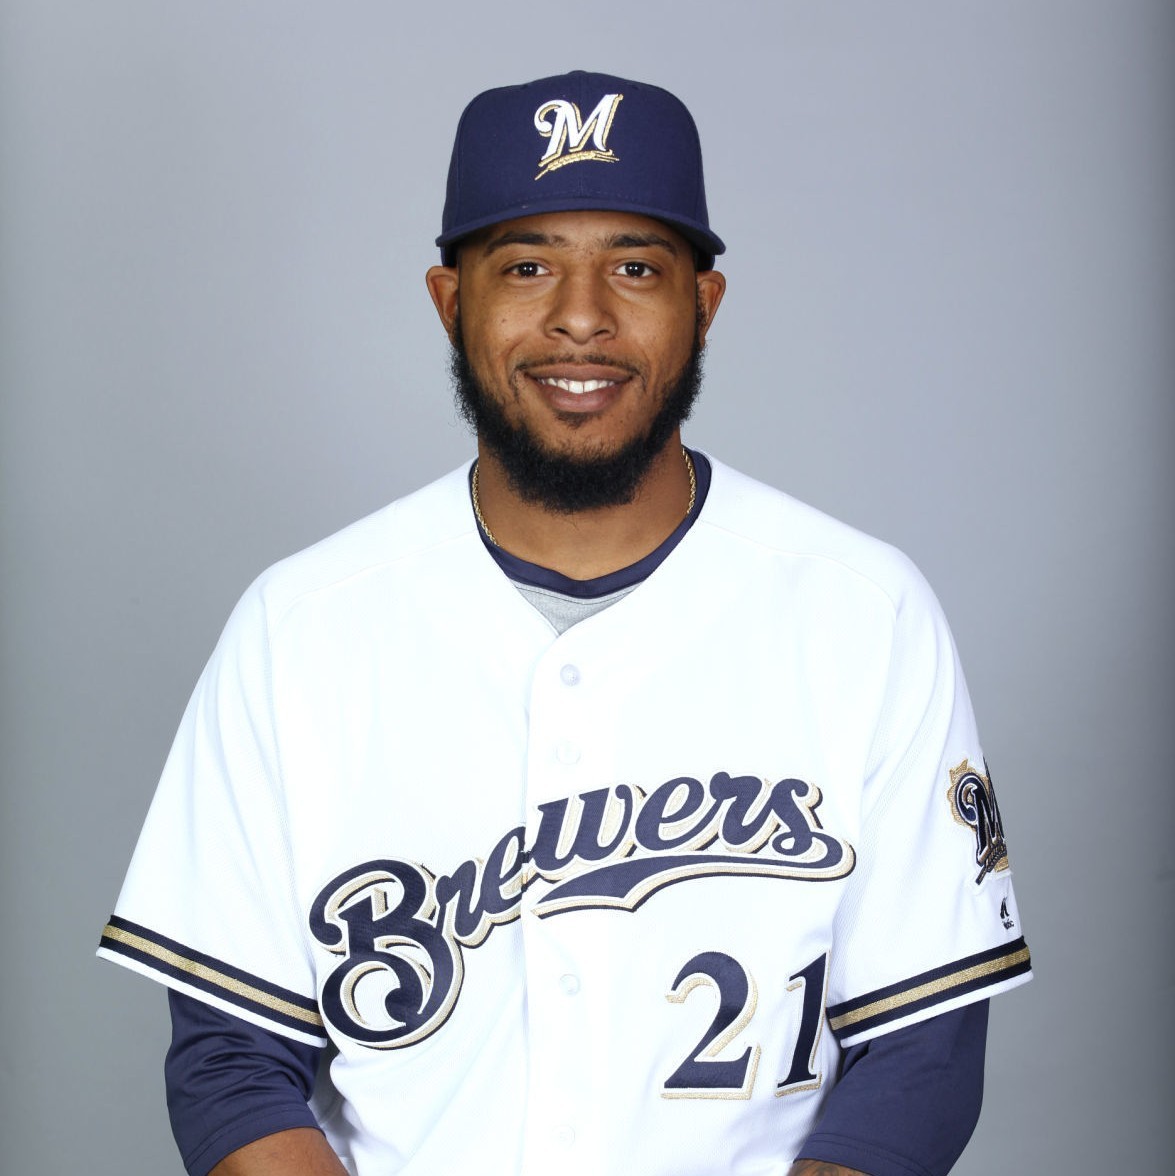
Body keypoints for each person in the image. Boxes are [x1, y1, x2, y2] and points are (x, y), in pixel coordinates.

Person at [99, 71, 1031, 1176]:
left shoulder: (862, 613)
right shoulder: (298, 628)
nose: (580, 317)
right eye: (527, 266)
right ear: (450, 301)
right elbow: (229, 1061)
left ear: (704, 304)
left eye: (634, 267)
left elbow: (919, 1056)